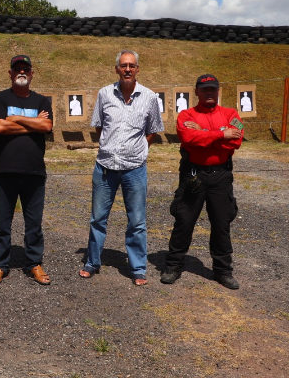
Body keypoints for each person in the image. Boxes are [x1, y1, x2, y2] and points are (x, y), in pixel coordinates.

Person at [79, 49, 164, 286]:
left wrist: (135, 149)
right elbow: (99, 127)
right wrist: (112, 146)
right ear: (117, 69)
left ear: (138, 69)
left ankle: (138, 268)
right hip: (105, 167)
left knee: (137, 221)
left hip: (135, 169)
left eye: (132, 65)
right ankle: (92, 262)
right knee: (98, 219)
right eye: (123, 65)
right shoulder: (104, 94)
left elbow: (153, 130)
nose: (128, 69)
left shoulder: (149, 97)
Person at [161, 74, 243, 289]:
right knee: (184, 221)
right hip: (193, 174)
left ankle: (223, 271)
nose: (209, 93)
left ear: (218, 91)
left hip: (221, 175)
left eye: (213, 89)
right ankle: (173, 266)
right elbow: (189, 140)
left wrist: (205, 135)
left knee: (221, 224)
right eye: (205, 89)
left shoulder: (230, 114)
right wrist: (220, 134)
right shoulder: (186, 114)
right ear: (196, 92)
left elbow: (235, 142)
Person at [0, 55, 53, 286]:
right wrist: (31, 122)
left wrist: (15, 117)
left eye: (26, 69)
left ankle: (34, 263)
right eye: (17, 69)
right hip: (4, 170)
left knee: (33, 223)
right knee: (2, 222)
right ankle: (0, 264)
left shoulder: (42, 101)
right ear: (10, 73)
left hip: (34, 172)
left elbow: (46, 126)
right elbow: (0, 127)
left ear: (32, 73)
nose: (22, 72)